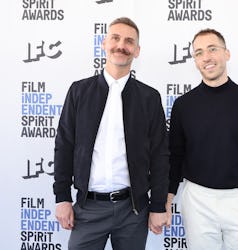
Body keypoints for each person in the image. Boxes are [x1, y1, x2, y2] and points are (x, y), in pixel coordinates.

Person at [53, 17, 169, 250]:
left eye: (129, 41)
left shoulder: (149, 98)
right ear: (105, 43)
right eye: (115, 38)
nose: (121, 45)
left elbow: (160, 156)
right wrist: (62, 198)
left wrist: (158, 206)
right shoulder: (79, 91)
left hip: (133, 211)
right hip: (88, 208)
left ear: (136, 51)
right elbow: (64, 146)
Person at [166, 28, 238, 250]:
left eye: (212, 49)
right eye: (198, 53)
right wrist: (167, 198)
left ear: (227, 54)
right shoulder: (183, 105)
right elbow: (174, 156)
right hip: (197, 200)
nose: (206, 57)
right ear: (195, 61)